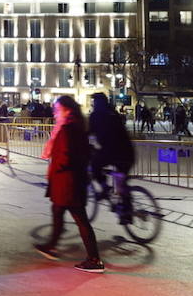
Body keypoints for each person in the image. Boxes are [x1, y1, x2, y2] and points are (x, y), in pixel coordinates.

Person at [33, 95, 104, 273]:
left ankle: (94, 259)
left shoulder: (67, 129)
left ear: (67, 110)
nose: (55, 113)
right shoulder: (77, 126)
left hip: (68, 182)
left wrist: (54, 169)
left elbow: (65, 157)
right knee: (57, 211)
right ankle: (51, 245)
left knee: (80, 219)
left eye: (57, 109)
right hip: (71, 181)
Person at [88, 91, 135, 224]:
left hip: (112, 152)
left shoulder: (96, 115)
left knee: (95, 166)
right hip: (127, 151)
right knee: (121, 182)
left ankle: (105, 187)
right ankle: (126, 212)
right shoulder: (113, 113)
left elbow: (88, 133)